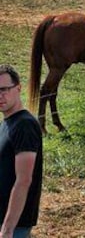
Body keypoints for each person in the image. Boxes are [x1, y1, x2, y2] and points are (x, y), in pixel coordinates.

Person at [0, 64, 42, 238]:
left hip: (14, 226)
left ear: (18, 88)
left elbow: (23, 180)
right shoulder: (7, 123)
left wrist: (8, 228)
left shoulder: (24, 125)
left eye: (4, 89)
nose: (0, 95)